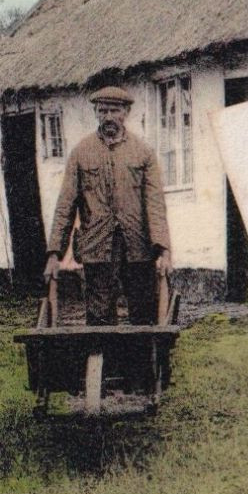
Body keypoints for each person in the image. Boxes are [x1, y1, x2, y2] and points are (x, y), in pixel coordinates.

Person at [45, 86, 173, 325]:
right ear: (96, 112)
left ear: (126, 112)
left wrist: (164, 250)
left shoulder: (143, 153)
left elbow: (155, 204)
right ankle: (105, 361)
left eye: (115, 110)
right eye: (103, 111)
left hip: (138, 246)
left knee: (143, 312)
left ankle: (140, 363)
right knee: (99, 314)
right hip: (96, 248)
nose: (109, 117)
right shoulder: (81, 153)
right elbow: (65, 205)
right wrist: (55, 254)